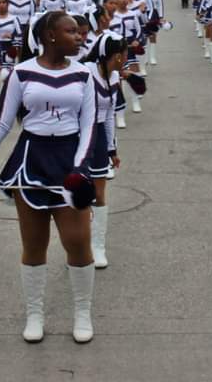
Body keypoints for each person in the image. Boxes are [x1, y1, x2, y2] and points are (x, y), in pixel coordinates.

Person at [0, 11, 98, 344]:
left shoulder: (84, 74)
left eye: (79, 32)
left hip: (70, 159)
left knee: (77, 241)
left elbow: (89, 125)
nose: (79, 36)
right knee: (33, 244)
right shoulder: (21, 73)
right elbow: (3, 124)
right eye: (71, 31)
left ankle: (82, 312)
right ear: (50, 36)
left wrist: (79, 169)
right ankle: (34, 314)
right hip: (31, 160)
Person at [82, 32, 126, 269]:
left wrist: (111, 148)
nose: (126, 58)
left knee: (99, 194)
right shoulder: (85, 72)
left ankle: (98, 246)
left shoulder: (115, 76)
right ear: (116, 55)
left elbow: (109, 114)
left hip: (99, 137)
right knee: (78, 193)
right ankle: (79, 247)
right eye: (124, 54)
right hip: (78, 136)